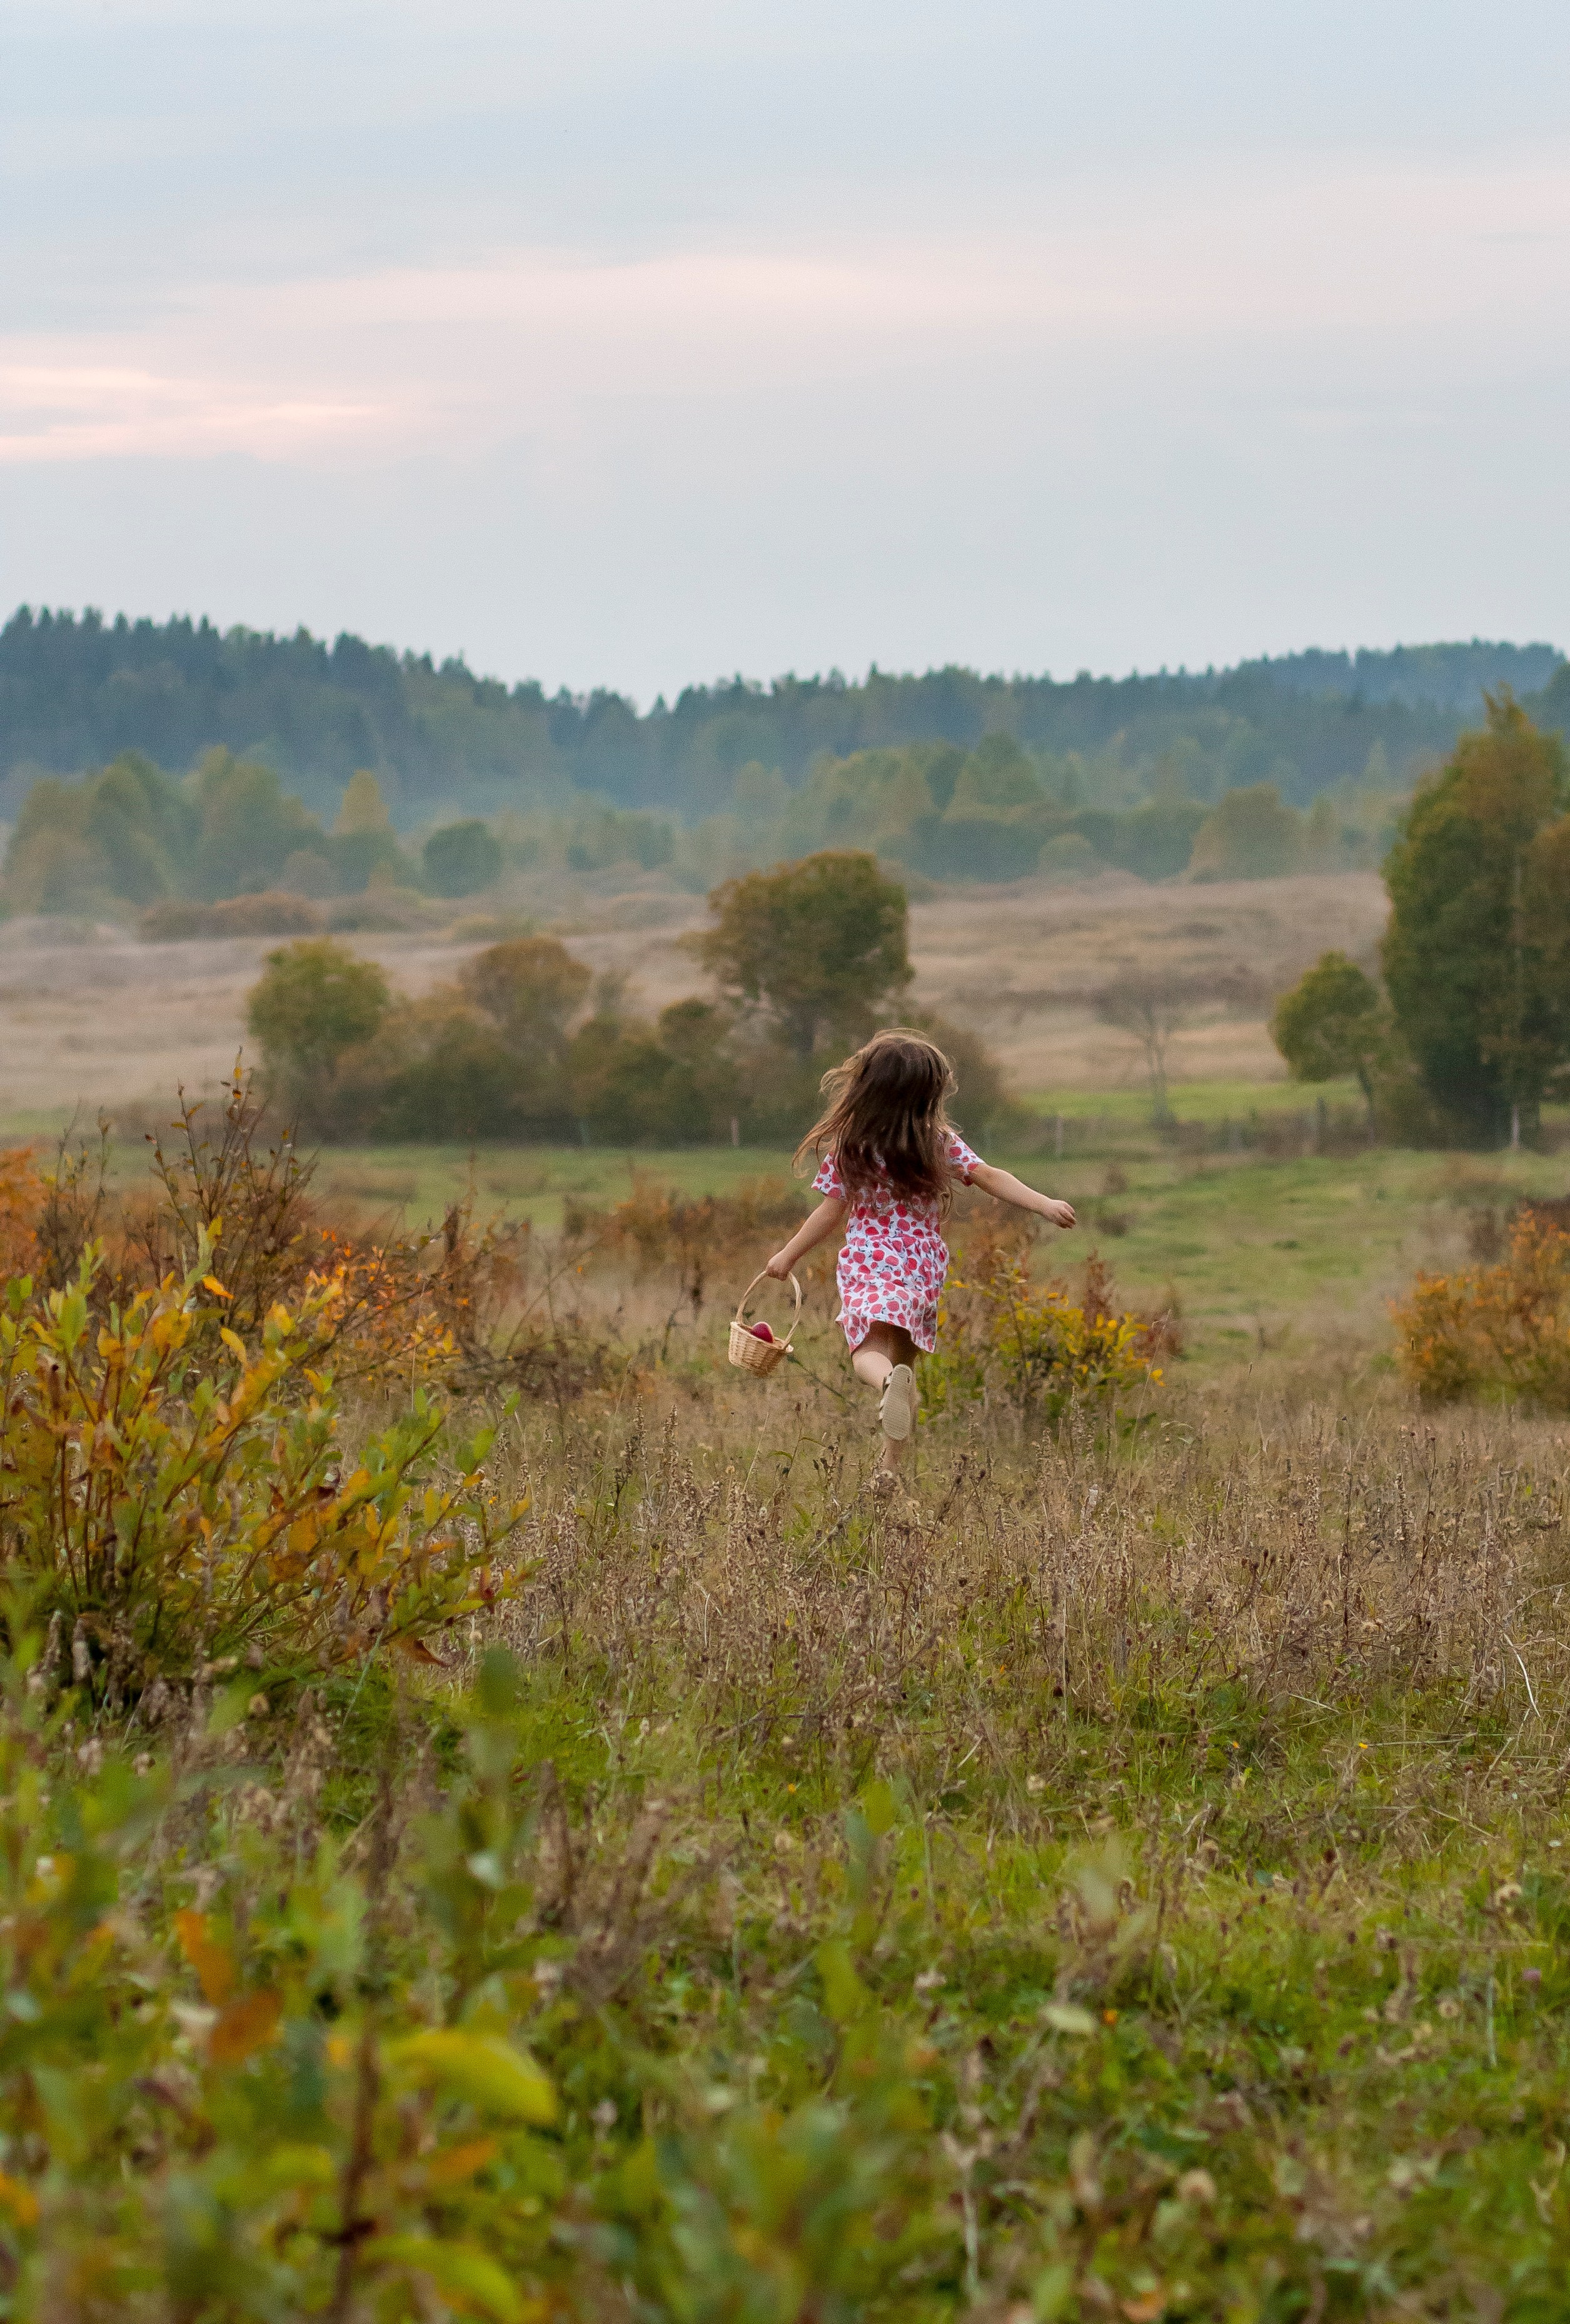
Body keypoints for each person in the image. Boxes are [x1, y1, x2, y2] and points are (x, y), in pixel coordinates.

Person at [763, 1029, 1075, 1489]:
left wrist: (786, 1256)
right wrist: (1043, 1204)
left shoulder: (852, 1145)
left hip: (870, 1260)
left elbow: (829, 1213)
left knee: (868, 1352)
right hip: (921, 1265)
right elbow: (990, 1176)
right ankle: (888, 1472)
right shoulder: (937, 1142)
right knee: (905, 1370)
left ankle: (885, 1386)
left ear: (868, 1087)